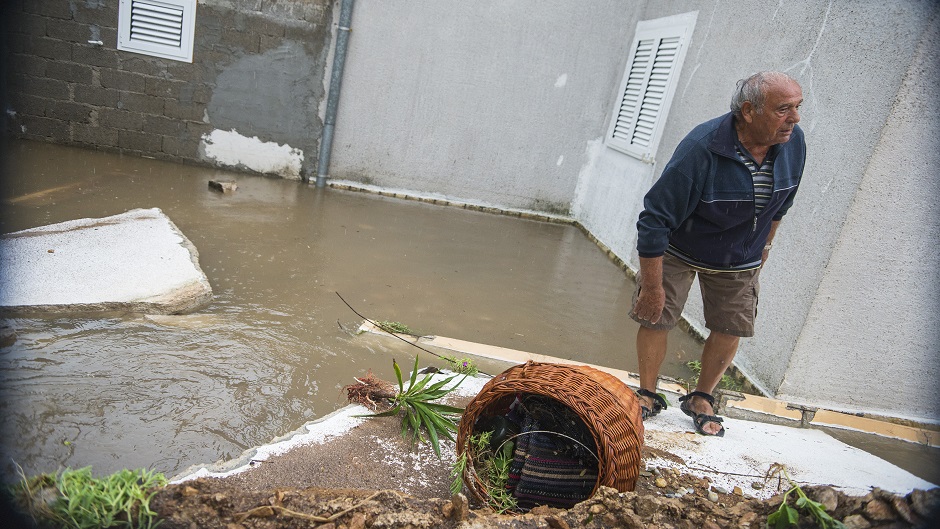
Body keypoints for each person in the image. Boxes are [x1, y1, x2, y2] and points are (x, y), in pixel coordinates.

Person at [630, 71, 805, 437]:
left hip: (741, 254)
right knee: (656, 315)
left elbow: (781, 206)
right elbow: (654, 220)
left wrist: (765, 248)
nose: (795, 119)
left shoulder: (793, 143)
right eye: (783, 109)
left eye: (797, 108)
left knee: (731, 325)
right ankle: (647, 393)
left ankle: (701, 398)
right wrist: (652, 286)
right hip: (680, 247)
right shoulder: (702, 148)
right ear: (748, 110)